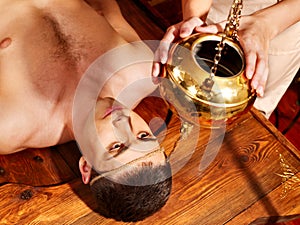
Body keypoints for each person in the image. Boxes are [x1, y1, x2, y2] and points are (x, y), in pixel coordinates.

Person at [0, 0, 172, 222]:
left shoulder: (9, 124)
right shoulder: (140, 70)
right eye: (143, 136)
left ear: (86, 166)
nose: (124, 122)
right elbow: (109, 10)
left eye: (117, 146)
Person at [152, 0, 300, 119]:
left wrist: (264, 24)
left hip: (285, 17)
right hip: (219, 9)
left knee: (248, 116)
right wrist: (194, 18)